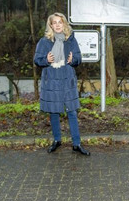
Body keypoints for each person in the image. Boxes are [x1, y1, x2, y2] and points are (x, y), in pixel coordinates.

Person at [34, 13, 90, 156]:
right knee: (54, 112)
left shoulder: (71, 40)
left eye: (60, 22)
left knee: (71, 111)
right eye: (55, 22)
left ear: (64, 24)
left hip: (67, 80)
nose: (58, 25)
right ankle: (57, 140)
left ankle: (76, 144)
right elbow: (37, 60)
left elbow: (78, 58)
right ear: (51, 25)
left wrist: (73, 59)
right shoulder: (44, 42)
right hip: (51, 80)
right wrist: (46, 59)